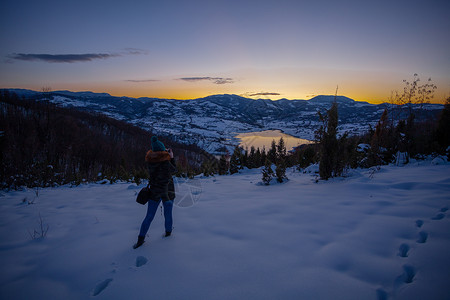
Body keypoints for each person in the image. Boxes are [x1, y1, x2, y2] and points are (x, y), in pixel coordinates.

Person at [133, 136, 176, 249]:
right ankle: (168, 234)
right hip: (168, 192)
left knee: (149, 216)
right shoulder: (166, 163)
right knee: (168, 214)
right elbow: (174, 170)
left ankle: (140, 240)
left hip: (154, 192)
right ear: (163, 151)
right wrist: (171, 158)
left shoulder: (150, 162)